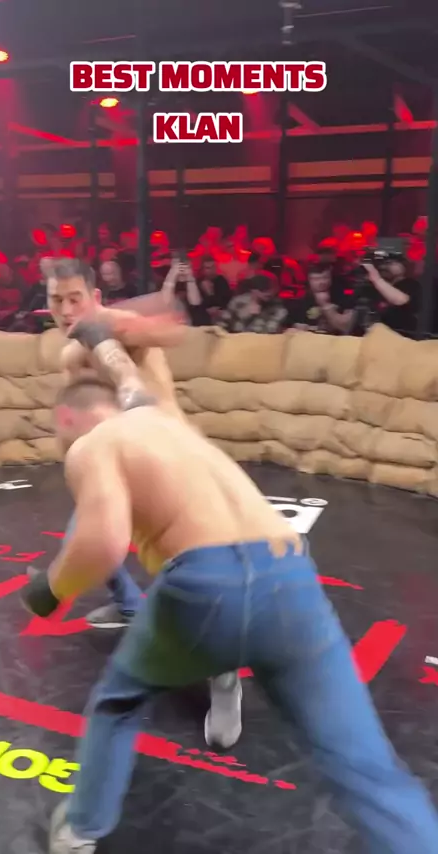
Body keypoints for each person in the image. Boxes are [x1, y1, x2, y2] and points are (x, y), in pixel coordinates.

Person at [23, 326, 438, 854]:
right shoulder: (164, 419)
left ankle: (80, 828)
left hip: (206, 585)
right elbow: (128, 374)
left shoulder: (92, 445)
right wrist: (103, 338)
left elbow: (102, 544)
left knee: (118, 703)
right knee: (366, 765)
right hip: (291, 575)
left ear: (66, 418)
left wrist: (48, 591)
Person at [44, 257, 243, 748]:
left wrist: (121, 322)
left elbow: (169, 331)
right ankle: (130, 605)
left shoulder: (118, 328)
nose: (66, 309)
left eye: (75, 298)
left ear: (94, 297)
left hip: (174, 464)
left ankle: (224, 676)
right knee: (88, 533)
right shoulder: (70, 355)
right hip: (124, 467)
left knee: (193, 578)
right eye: (56, 300)